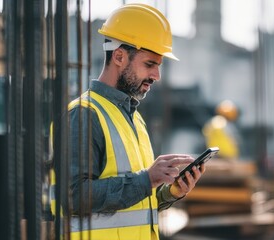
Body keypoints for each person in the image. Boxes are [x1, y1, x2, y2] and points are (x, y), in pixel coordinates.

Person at [50, 4, 204, 240]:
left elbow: (134, 206)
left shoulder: (134, 119)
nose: (156, 76)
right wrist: (147, 179)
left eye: (158, 66)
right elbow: (72, 197)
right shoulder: (83, 115)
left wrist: (169, 192)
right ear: (119, 56)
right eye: (149, 64)